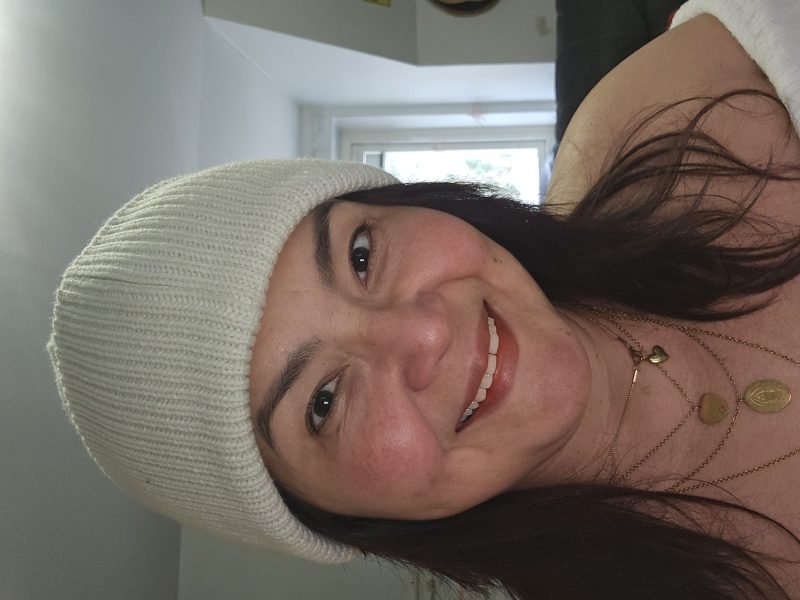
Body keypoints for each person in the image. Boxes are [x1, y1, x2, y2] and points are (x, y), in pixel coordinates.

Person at [47, 0, 800, 598]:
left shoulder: (691, 109)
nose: (422, 334)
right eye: (323, 402)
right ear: (344, 519)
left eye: (361, 255)